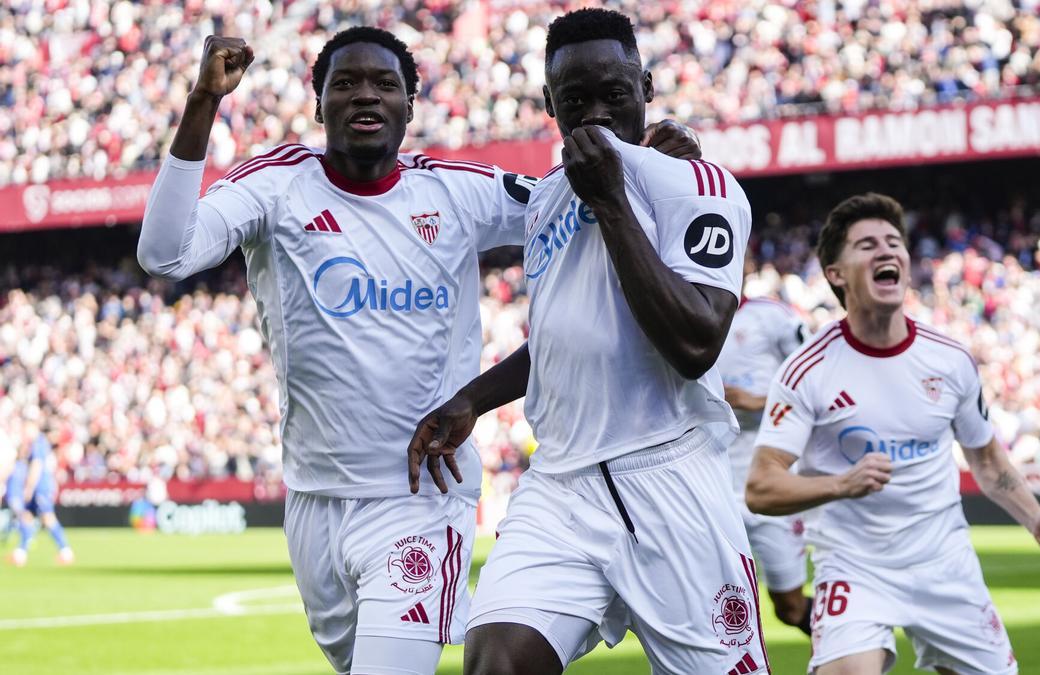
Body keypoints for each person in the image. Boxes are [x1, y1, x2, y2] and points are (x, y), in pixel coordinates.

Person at [136, 26, 698, 675]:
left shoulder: (455, 191)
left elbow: (578, 198)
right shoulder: (277, 185)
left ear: (411, 104)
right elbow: (164, 252)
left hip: (422, 498)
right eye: (344, 84)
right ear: (319, 105)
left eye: (385, 84)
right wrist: (204, 101)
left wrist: (654, 162)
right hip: (314, 502)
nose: (365, 95)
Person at [409, 9, 767, 674]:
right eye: (575, 101)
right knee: (495, 661)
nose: (596, 115)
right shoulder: (545, 201)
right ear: (550, 105)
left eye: (615, 94)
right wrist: (471, 399)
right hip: (561, 485)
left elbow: (696, 343)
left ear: (647, 88)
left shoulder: (697, 186)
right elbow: (558, 338)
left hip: (672, 480)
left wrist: (612, 203)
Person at [745, 193, 1040, 675]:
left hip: (944, 564)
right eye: (866, 245)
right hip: (855, 567)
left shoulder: (950, 360)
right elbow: (760, 487)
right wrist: (841, 484)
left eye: (894, 242)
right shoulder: (806, 370)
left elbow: (986, 460)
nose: (886, 252)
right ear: (836, 273)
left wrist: (1034, 519)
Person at [717, 276, 812, 635]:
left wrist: (757, 401)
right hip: (714, 481)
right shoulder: (682, 320)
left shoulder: (771, 317)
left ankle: (852, 649)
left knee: (789, 608)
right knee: (719, 604)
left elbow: (816, 383)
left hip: (772, 477)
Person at [5, 421, 73, 567]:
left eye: (27, 429)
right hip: (40, 487)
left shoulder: (38, 443)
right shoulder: (38, 444)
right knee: (26, 516)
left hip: (40, 488)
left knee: (48, 518)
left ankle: (65, 550)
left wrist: (29, 487)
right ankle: (21, 553)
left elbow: (37, 466)